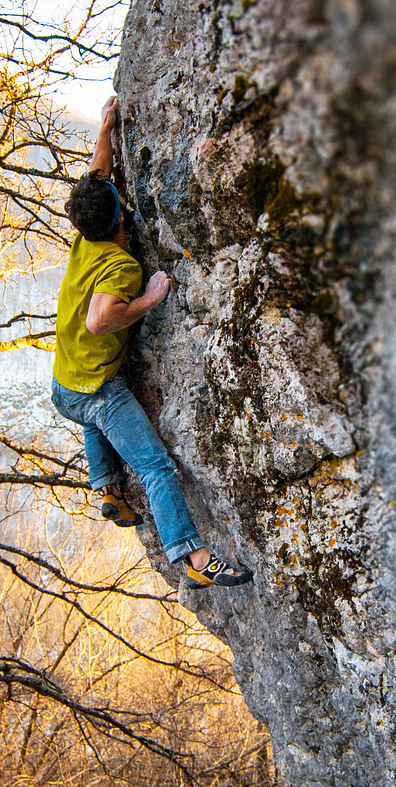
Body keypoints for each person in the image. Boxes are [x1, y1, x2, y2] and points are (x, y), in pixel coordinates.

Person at [52, 95, 252, 589]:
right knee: (156, 466)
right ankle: (195, 558)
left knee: (93, 417)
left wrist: (105, 128)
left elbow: (98, 175)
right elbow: (100, 320)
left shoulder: (84, 233)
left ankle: (106, 487)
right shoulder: (120, 266)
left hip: (63, 385)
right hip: (97, 391)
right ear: (121, 216)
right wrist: (148, 299)